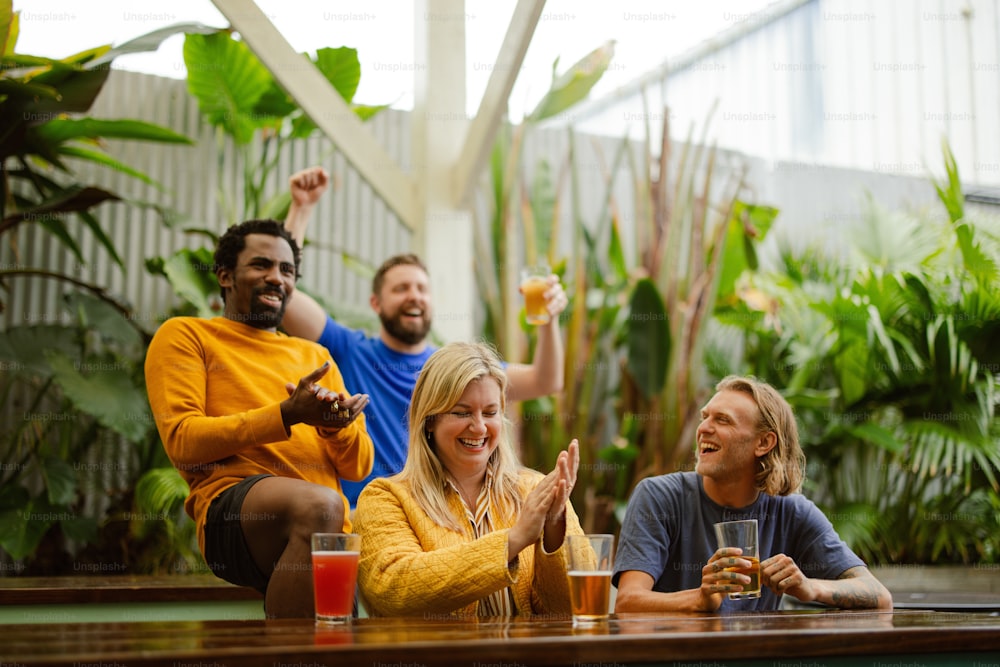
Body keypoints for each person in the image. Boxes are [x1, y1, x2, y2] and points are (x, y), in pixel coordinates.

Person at [281, 166, 568, 506]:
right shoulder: (349, 350)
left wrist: (549, 322)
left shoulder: (452, 368)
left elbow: (545, 380)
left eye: (421, 288)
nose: (413, 295)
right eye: (401, 288)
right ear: (376, 302)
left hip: (436, 516)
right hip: (367, 513)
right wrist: (301, 209)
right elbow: (284, 296)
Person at [145, 219, 374, 619]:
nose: (276, 278)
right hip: (231, 511)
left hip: (325, 531)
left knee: (336, 635)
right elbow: (182, 441)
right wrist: (285, 415)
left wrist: (335, 429)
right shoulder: (187, 335)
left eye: (287, 271)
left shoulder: (314, 357)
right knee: (320, 506)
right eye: (261, 265)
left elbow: (358, 466)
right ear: (225, 275)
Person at [613, 375, 893, 612]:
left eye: (722, 420)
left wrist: (810, 587)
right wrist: (700, 599)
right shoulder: (659, 496)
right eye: (705, 417)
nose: (703, 428)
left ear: (763, 442)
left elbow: (879, 595)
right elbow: (627, 602)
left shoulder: (791, 512)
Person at [353, 341, 583, 618]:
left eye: (490, 412)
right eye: (462, 412)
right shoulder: (385, 498)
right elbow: (393, 590)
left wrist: (554, 526)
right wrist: (513, 540)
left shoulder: (535, 490)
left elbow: (574, 606)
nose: (479, 427)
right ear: (429, 420)